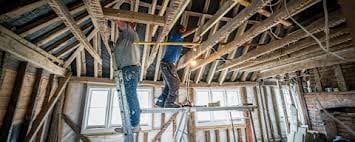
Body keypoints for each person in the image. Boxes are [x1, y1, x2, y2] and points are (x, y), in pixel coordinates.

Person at [155, 25, 196, 108]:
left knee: (169, 85)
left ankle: (161, 101)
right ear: (180, 30)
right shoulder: (175, 36)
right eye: (183, 30)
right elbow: (186, 34)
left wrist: (194, 44)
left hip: (168, 65)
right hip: (167, 64)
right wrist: (195, 28)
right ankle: (169, 103)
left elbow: (188, 45)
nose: (184, 31)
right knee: (175, 84)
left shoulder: (178, 41)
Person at [113, 20, 141, 130]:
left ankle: (134, 124)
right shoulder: (126, 35)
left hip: (129, 68)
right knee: (128, 96)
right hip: (128, 69)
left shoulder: (129, 32)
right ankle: (130, 123)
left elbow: (119, 21)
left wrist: (116, 16)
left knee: (130, 95)